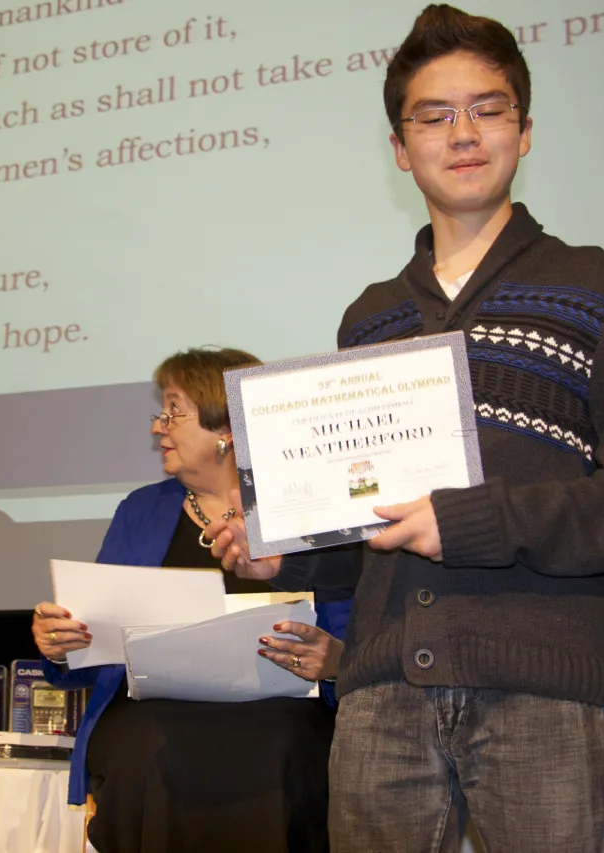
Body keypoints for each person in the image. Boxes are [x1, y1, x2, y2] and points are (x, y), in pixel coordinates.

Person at [206, 6, 604, 851]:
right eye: (433, 116)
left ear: (525, 130)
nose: (462, 134)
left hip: (541, 689)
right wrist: (288, 547)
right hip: (381, 694)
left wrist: (471, 521)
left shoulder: (598, 287)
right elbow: (367, 514)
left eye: (488, 109)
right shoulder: (372, 315)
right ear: (400, 148)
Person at [31, 346, 352, 853]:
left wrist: (333, 660)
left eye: (174, 411)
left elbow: (349, 635)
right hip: (152, 720)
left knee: (284, 747)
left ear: (227, 426)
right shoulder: (141, 511)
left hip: (280, 716)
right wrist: (63, 644)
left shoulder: (305, 507)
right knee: (143, 751)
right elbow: (96, 647)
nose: (159, 427)